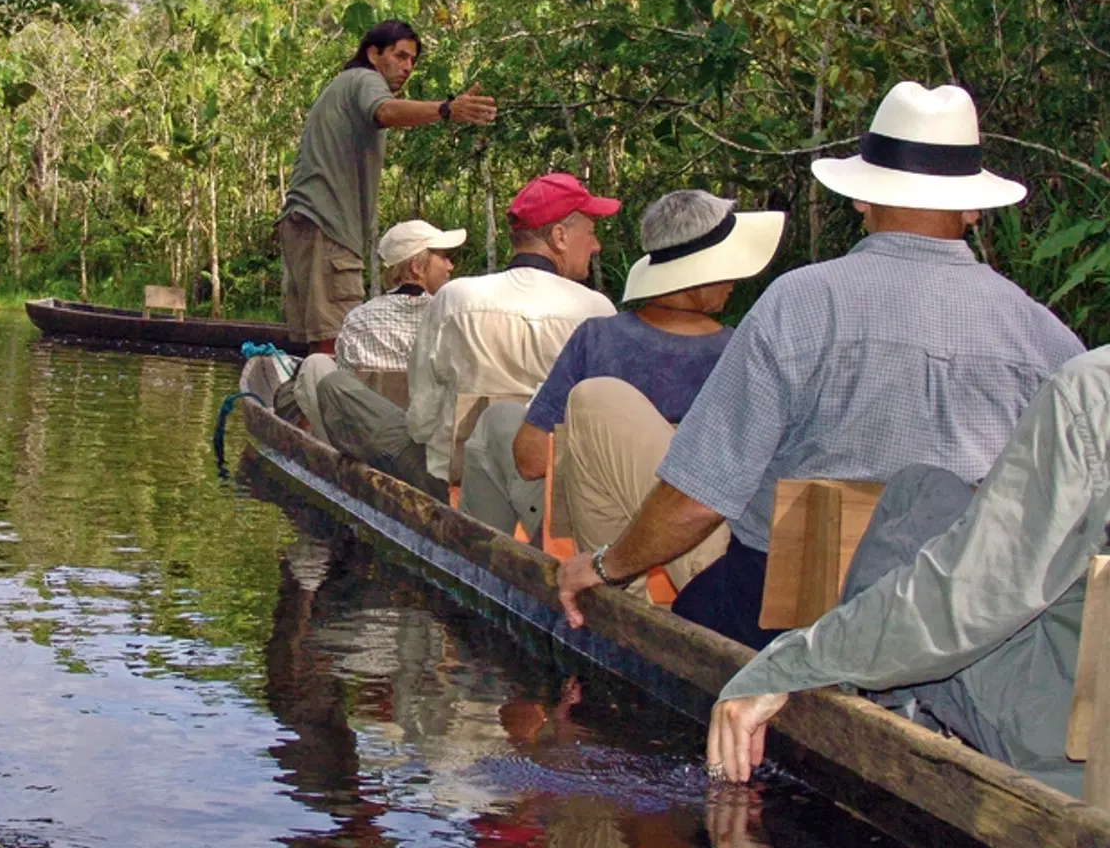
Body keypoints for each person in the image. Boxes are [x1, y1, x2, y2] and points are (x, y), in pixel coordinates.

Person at [556, 81, 1085, 648]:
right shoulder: (1046, 339)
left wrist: (608, 566)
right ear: (975, 210)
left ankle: (610, 640)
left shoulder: (801, 303)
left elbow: (700, 497)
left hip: (778, 617)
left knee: (602, 407)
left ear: (861, 197)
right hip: (950, 627)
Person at [705, 346, 1110, 799]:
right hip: (1077, 685)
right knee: (932, 491)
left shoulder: (1094, 388)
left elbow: (969, 596)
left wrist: (788, 663)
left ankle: (872, 755)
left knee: (918, 495)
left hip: (1079, 761)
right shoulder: (1044, 330)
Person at [458, 190, 785, 598]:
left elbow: (530, 459)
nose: (735, 282)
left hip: (614, 542)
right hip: (715, 543)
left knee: (498, 426)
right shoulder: (743, 350)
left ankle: (477, 576)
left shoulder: (601, 339)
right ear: (704, 274)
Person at [317, 173, 620, 501]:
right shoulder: (598, 310)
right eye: (591, 233)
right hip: (554, 490)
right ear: (559, 236)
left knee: (331, 384)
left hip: (453, 481)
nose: (596, 244)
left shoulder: (455, 299)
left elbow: (421, 420)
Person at [279, 20, 497, 355]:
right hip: (326, 225)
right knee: (335, 338)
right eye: (400, 56)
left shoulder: (345, 86)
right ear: (373, 53)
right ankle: (325, 406)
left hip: (308, 223)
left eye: (412, 60)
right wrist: (446, 110)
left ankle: (311, 403)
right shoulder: (365, 79)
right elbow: (386, 111)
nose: (407, 67)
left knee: (322, 339)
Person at [290, 219, 464, 441]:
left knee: (315, 364)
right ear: (416, 267)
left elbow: (342, 385)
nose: (450, 266)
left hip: (362, 440)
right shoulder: (451, 319)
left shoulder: (358, 319)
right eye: (443, 257)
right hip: (426, 443)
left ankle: (328, 451)